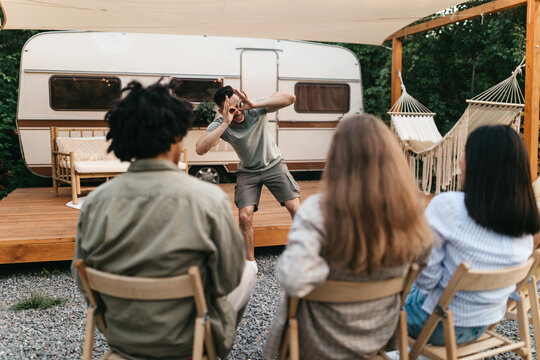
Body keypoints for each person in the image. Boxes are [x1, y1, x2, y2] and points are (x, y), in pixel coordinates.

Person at [71, 81, 256, 360]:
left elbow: (81, 277)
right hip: (189, 343)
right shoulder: (208, 199)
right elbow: (227, 278)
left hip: (123, 340)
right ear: (177, 137)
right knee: (249, 271)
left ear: (122, 139)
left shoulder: (94, 203)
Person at [264, 114, 433, 359]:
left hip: (315, 344)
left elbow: (293, 278)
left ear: (336, 160)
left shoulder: (318, 211)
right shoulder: (409, 215)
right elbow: (424, 267)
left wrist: (323, 272)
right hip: (377, 339)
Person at [405, 125, 540, 345]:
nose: (460, 158)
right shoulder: (526, 221)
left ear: (479, 162)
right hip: (482, 325)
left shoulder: (448, 207)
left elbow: (425, 279)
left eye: (465, 151)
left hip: (435, 325)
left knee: (381, 294)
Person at [195, 86, 299, 261]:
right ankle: (250, 264)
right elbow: (200, 149)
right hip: (248, 171)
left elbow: (290, 97)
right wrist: (225, 123)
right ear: (222, 111)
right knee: (244, 216)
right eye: (232, 109)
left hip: (273, 164)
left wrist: (253, 104)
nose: (238, 111)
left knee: (295, 208)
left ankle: (302, 253)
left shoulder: (254, 107)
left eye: (240, 105)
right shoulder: (222, 122)